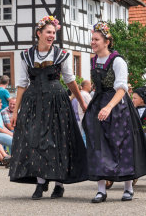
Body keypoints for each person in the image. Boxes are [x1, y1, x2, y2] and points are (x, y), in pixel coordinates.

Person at [9, 15, 88, 200]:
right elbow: (22, 84)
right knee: (34, 140)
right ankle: (40, 182)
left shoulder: (61, 54)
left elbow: (69, 80)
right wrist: (15, 111)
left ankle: (59, 184)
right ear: (39, 33)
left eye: (54, 32)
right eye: (48, 32)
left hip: (56, 101)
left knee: (58, 140)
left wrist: (82, 102)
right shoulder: (26, 55)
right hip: (33, 102)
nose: (52, 35)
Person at [83, 21, 146, 203]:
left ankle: (128, 187)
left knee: (122, 145)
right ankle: (101, 190)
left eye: (96, 39)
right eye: (92, 39)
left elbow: (121, 89)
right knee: (97, 145)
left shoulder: (118, 61)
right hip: (99, 103)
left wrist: (108, 107)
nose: (93, 42)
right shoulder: (92, 61)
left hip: (118, 106)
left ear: (107, 41)